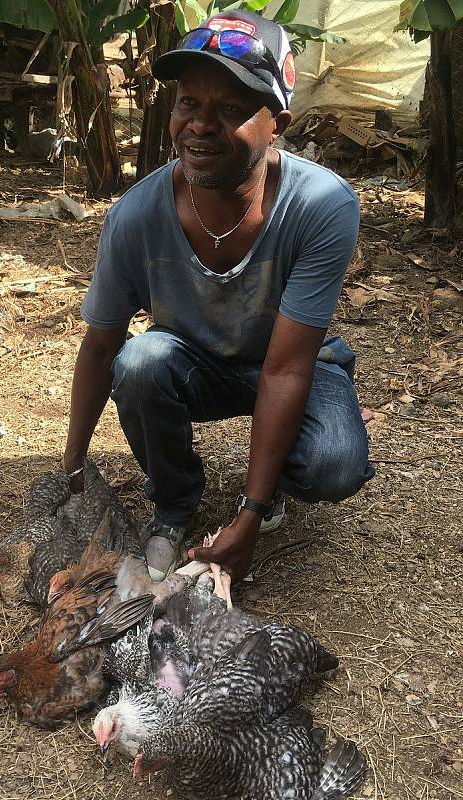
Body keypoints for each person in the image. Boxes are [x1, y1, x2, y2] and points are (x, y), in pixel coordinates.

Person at [63, 9, 375, 583]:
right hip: (191, 364)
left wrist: (251, 511)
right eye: (189, 103)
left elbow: (285, 369)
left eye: (231, 109)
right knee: (141, 360)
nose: (200, 125)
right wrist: (72, 465)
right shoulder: (137, 215)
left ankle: (274, 482)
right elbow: (102, 346)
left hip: (285, 365)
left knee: (334, 465)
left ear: (275, 121)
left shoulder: (322, 206)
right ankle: (175, 503)